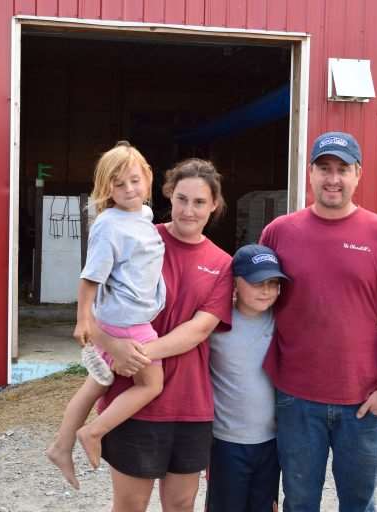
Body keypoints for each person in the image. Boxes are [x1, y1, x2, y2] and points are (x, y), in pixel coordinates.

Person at [260, 131, 377, 512]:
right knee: (299, 501)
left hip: (361, 400)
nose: (333, 178)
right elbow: (254, 302)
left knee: (359, 503)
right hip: (296, 398)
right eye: (324, 168)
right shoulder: (279, 232)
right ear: (310, 173)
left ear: (358, 174)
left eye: (342, 169)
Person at [93, 158, 234, 512]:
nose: (189, 210)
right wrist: (113, 347)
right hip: (134, 397)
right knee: (129, 505)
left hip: (189, 404)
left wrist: (140, 351)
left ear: (214, 205)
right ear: (168, 194)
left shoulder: (221, 264)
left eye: (200, 202)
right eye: (182, 198)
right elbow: (94, 310)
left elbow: (198, 330)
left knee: (181, 505)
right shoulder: (137, 237)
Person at [46, 141, 167, 490]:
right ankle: (94, 431)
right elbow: (89, 278)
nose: (128, 190)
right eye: (118, 184)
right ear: (106, 189)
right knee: (151, 383)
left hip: (128, 315)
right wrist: (84, 321)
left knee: (98, 381)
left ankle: (60, 445)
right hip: (127, 322)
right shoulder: (109, 225)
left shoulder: (141, 216)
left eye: (134, 180)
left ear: (147, 178)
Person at [206, 244, 288, 512]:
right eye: (256, 282)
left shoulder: (282, 321)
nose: (266, 290)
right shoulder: (215, 324)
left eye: (273, 283)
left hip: (270, 443)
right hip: (226, 442)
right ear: (235, 283)